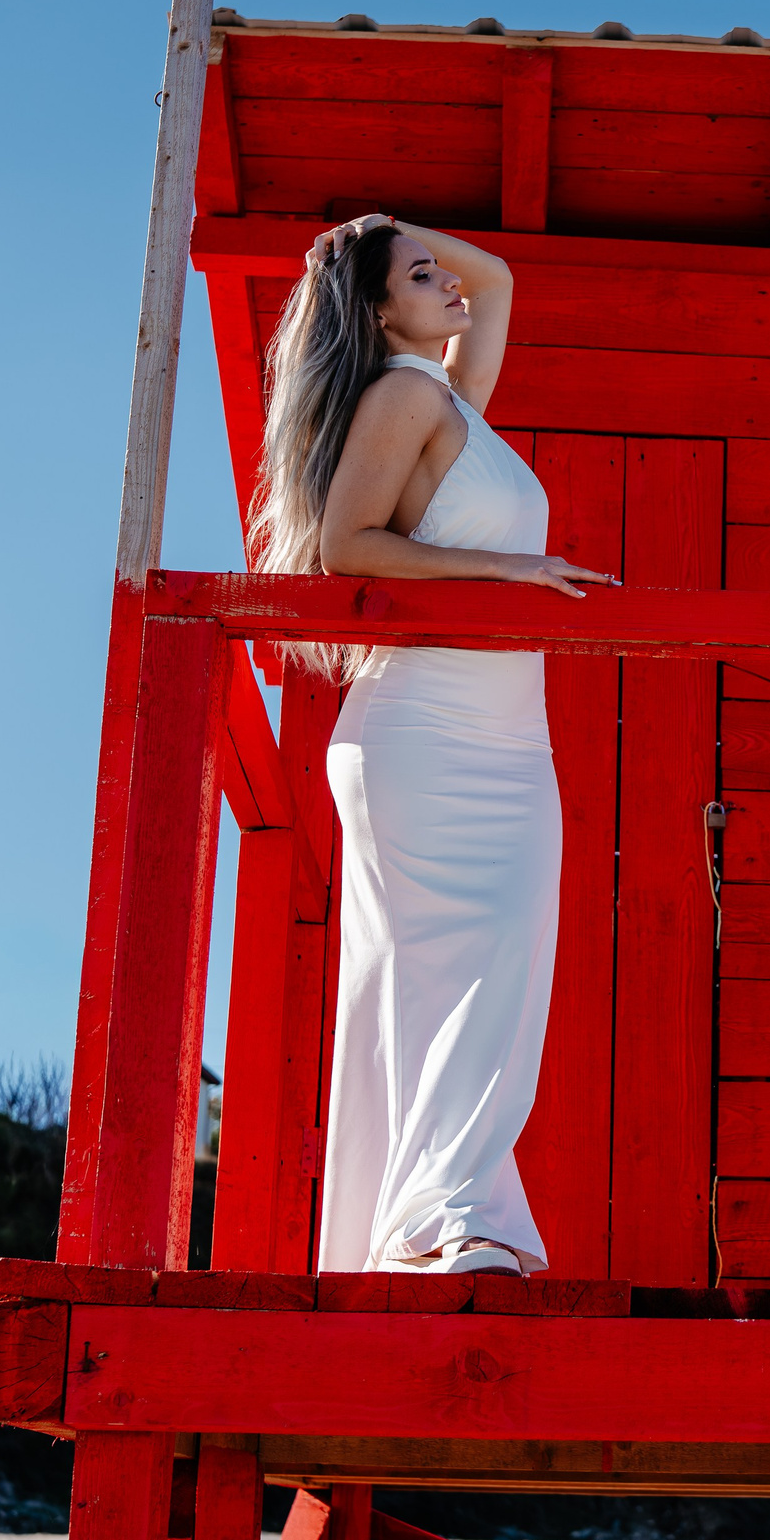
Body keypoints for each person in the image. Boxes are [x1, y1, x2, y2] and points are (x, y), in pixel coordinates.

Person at [250, 213, 615, 1276]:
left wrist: (394, 231)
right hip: (425, 728)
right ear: (377, 312)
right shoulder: (404, 394)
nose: (447, 282)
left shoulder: (452, 402)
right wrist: (511, 574)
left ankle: (430, 1218)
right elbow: (344, 546)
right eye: (420, 275)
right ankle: (450, 1219)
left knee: (496, 971)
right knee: (456, 976)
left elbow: (495, 279)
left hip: (503, 739)